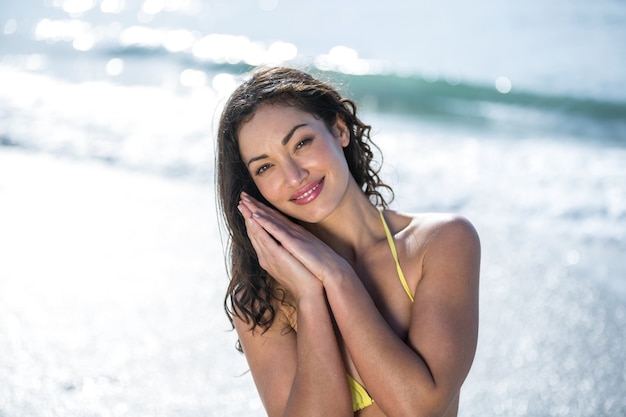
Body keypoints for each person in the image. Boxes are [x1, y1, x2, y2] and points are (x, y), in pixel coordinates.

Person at [217, 66, 480, 417]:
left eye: (302, 143)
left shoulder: (439, 243)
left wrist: (337, 276)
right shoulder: (261, 300)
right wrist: (310, 297)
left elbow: (417, 408)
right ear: (254, 189)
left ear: (340, 129)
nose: (294, 176)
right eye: (265, 168)